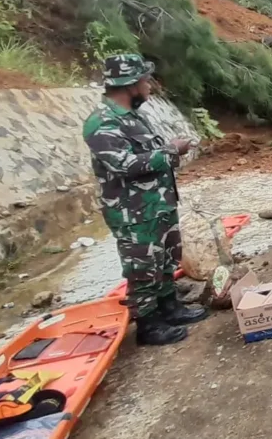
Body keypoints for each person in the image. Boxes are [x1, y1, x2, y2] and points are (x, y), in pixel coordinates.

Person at [83, 54, 205, 346]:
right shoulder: (101, 123)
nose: (150, 85)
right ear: (129, 84)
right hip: (132, 212)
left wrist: (171, 149)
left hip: (158, 204)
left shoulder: (134, 116)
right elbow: (124, 164)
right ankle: (149, 325)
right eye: (145, 80)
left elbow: (146, 156)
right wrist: (170, 151)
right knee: (142, 267)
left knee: (164, 259)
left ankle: (169, 307)